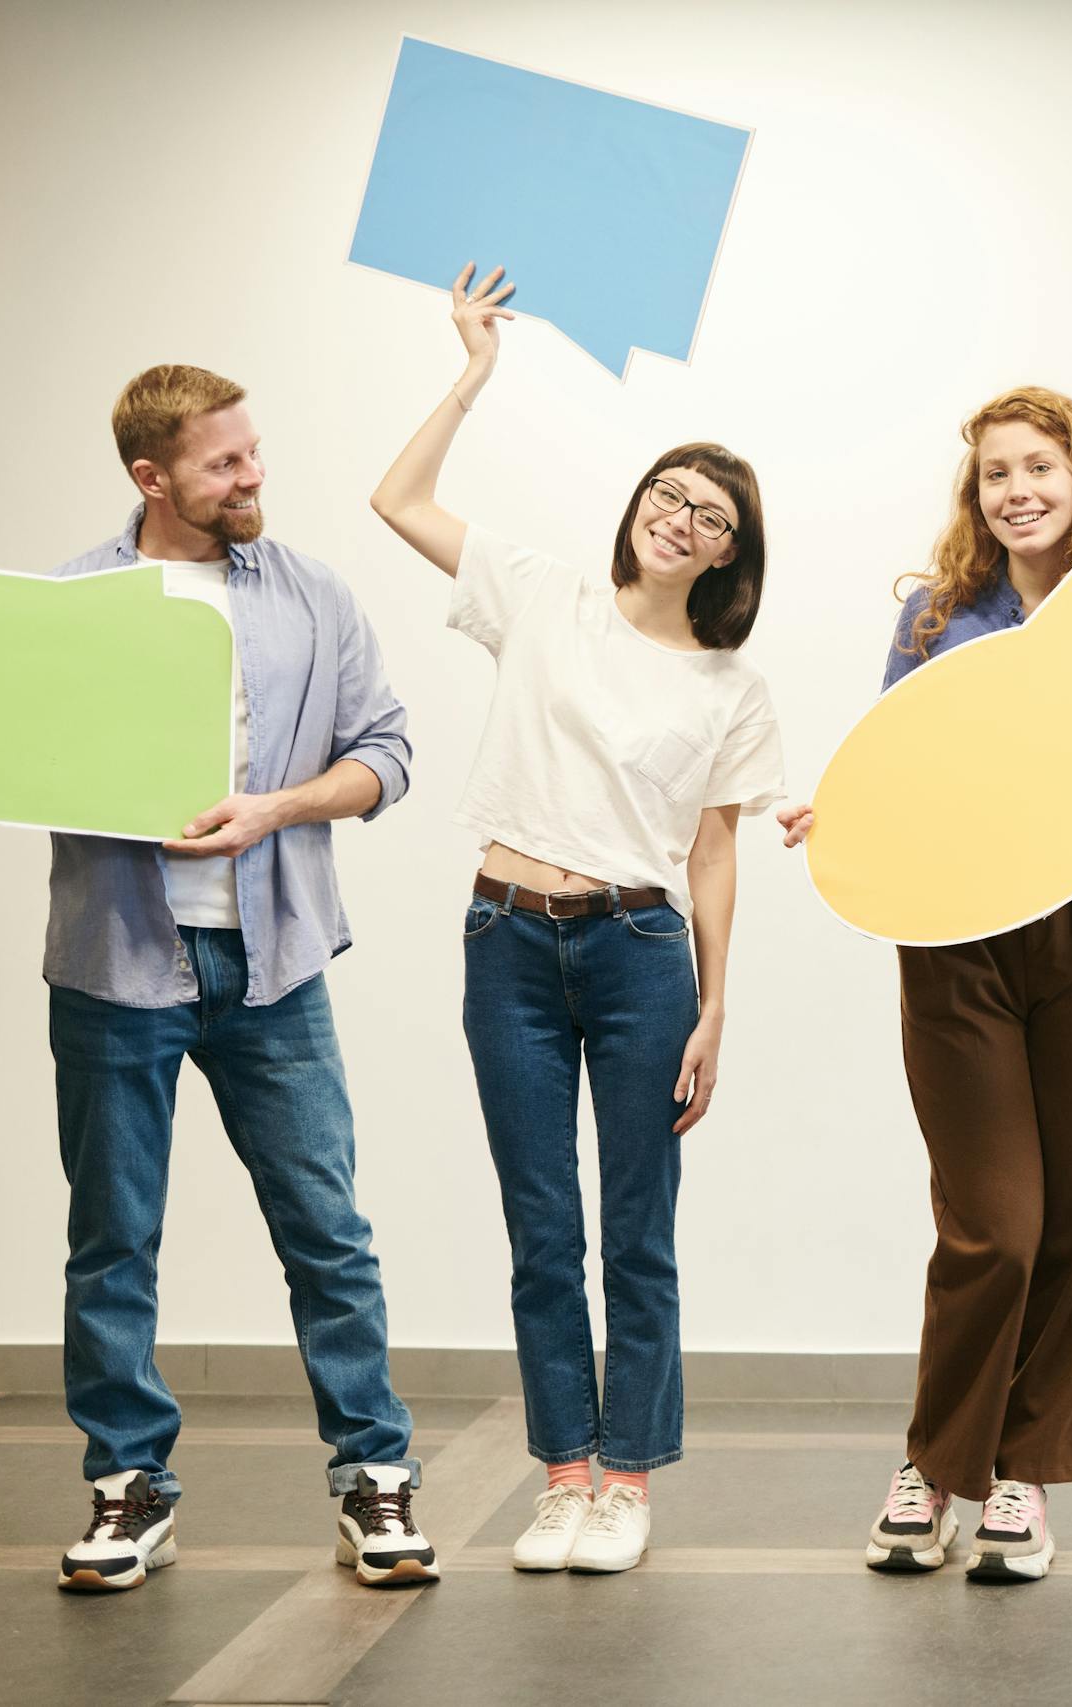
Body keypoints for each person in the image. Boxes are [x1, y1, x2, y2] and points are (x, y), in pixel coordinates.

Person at [371, 266, 785, 1575]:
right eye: (669, 496)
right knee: (542, 1219)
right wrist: (473, 372)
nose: (679, 518)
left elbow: (716, 851)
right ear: (640, 509)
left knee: (636, 1223)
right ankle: (563, 1473)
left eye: (708, 516)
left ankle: (629, 1477)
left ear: (729, 551)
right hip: (508, 937)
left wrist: (718, 1004)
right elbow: (397, 502)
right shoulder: (543, 593)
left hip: (641, 954)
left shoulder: (731, 683)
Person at [778, 385, 1072, 1583]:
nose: (1016, 491)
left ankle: (1021, 1478)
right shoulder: (932, 620)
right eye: (994, 475)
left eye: (1037, 470)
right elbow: (886, 759)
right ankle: (934, 1461)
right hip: (951, 933)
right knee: (994, 1226)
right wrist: (837, 814)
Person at [49, 365, 430, 1592]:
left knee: (328, 1233)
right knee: (114, 1239)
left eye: (252, 451)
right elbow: (15, 758)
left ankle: (374, 1479)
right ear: (150, 479)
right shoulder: (70, 606)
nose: (253, 474)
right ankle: (127, 1486)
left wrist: (275, 810)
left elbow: (387, 754)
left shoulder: (313, 594)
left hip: (275, 968)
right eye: (223, 464)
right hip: (115, 964)